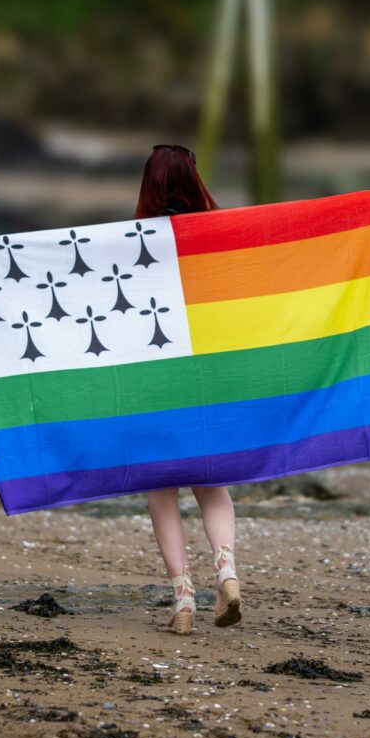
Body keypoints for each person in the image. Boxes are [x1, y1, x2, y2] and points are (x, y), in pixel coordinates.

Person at [133, 143, 242, 636]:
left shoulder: (126, 243)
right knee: (211, 482)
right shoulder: (221, 239)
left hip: (156, 381)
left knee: (161, 492)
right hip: (208, 378)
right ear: (196, 182)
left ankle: (182, 598)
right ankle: (227, 572)